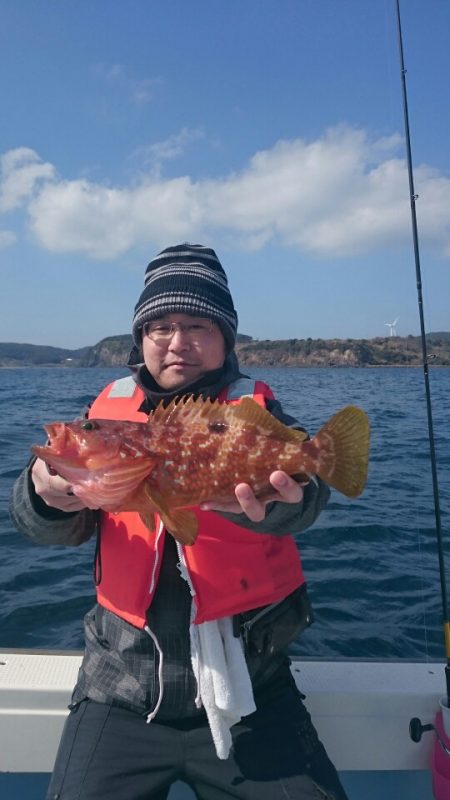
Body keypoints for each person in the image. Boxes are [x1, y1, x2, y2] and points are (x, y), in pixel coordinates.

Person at [10, 243, 348, 800]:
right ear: (141, 338)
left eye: (198, 325)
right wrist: (48, 498)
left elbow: (308, 499)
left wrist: (278, 503)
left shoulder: (257, 413)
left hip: (253, 687)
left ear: (226, 339)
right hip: (119, 687)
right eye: (161, 325)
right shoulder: (105, 423)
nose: (178, 342)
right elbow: (39, 521)